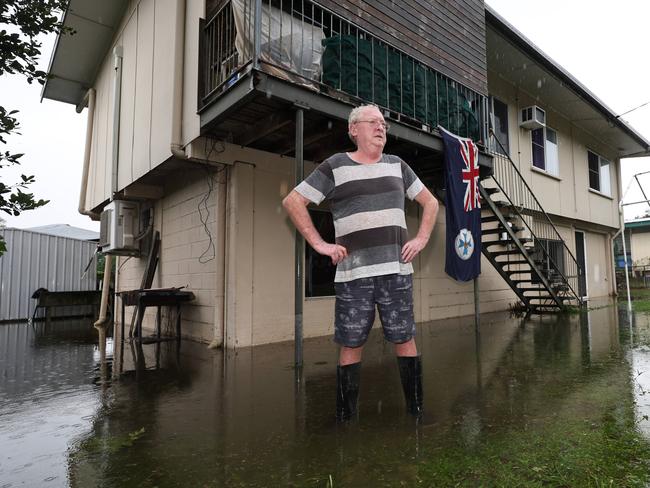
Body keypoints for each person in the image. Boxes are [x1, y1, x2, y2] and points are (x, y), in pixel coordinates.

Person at [282, 104, 439, 420]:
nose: (381, 127)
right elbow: (293, 201)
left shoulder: (398, 165)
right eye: (374, 122)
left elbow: (430, 202)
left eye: (384, 123)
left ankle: (417, 412)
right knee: (351, 344)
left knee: (405, 339)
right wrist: (320, 244)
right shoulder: (335, 166)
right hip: (354, 276)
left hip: (396, 272)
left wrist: (421, 239)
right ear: (354, 129)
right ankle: (345, 417)